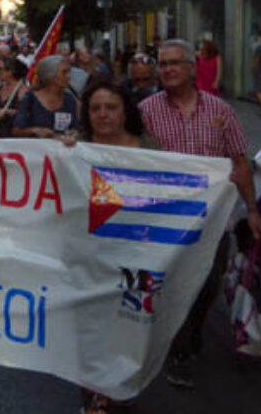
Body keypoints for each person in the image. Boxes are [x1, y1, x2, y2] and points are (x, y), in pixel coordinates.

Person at [139, 39, 261, 389]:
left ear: (193, 68)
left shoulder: (221, 111)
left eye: (175, 63)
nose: (167, 69)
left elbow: (239, 163)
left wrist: (252, 210)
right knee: (168, 287)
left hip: (213, 222)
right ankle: (180, 349)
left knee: (206, 286)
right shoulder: (146, 111)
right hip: (165, 222)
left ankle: (189, 333)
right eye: (162, 64)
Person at [78, 78, 157, 414]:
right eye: (95, 108)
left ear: (126, 112)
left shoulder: (151, 152)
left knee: (124, 329)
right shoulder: (75, 152)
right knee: (91, 331)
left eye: (111, 107)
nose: (103, 115)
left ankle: (115, 388)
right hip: (88, 258)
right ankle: (94, 395)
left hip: (134, 259)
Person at [11, 55, 78, 142]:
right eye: (64, 72)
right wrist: (34, 131)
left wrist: (71, 136)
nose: (69, 76)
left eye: (69, 72)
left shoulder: (70, 100)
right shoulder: (30, 99)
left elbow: (74, 128)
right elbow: (16, 131)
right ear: (50, 76)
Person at [0, 56, 29, 138]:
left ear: (10, 72)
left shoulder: (23, 90)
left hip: (14, 136)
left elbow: (28, 114)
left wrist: (8, 112)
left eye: (1, 69)